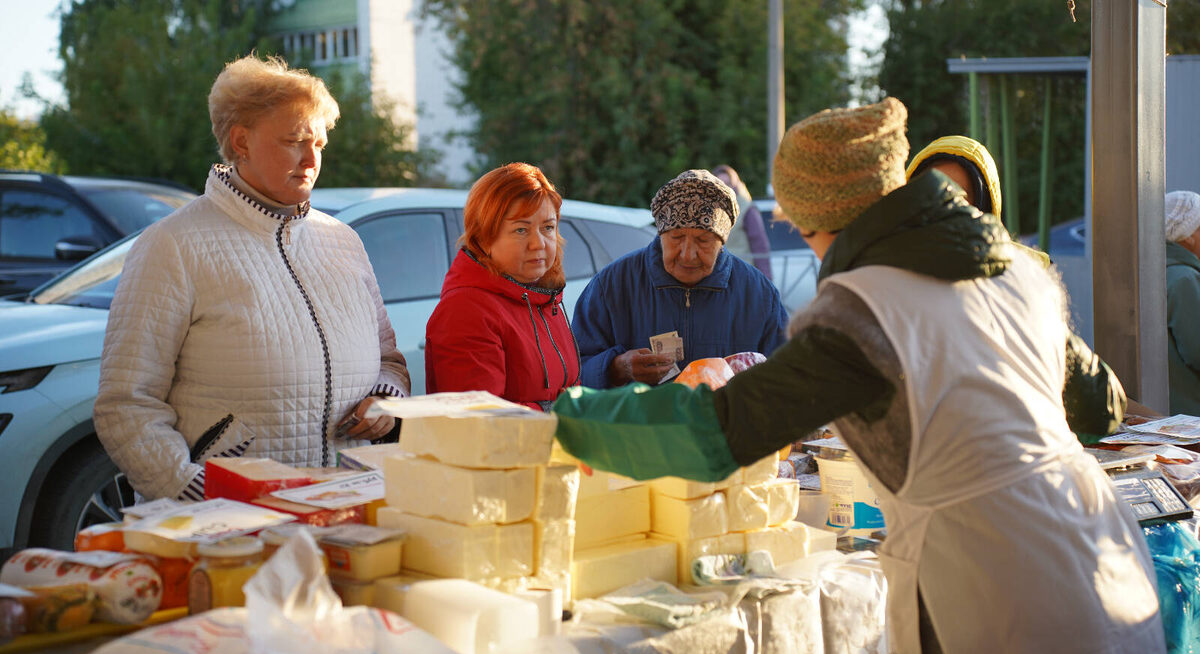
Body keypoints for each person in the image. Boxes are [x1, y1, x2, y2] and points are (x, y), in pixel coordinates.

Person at [553, 99, 1164, 654]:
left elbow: (717, 432)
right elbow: (1101, 405)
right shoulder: (1014, 270)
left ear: (827, 222)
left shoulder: (858, 311)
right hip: (1108, 554)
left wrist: (571, 425)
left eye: (803, 229)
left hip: (999, 583)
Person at [94, 55, 410, 501]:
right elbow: (126, 404)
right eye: (295, 141)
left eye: (319, 143)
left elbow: (389, 362)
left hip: (347, 503)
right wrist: (195, 492)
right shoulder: (173, 245)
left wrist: (384, 401)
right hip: (230, 516)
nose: (311, 159)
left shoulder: (343, 241)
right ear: (241, 141)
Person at [572, 169, 787, 389]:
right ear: (661, 235)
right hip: (639, 412)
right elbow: (572, 370)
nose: (688, 255)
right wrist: (617, 368)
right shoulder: (613, 285)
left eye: (703, 240)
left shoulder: (758, 294)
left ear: (722, 242)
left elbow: (787, 374)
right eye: (676, 237)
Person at [424, 163, 579, 411]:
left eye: (548, 228)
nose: (539, 243)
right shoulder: (466, 310)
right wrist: (556, 410)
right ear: (484, 238)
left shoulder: (544, 297)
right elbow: (479, 418)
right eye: (521, 230)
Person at [1166, 190, 1200, 415]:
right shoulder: (1184, 279)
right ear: (1188, 235)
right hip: (1190, 417)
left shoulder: (1159, 270)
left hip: (1167, 413)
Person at [711, 164, 773, 279]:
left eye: (728, 183)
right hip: (717, 275)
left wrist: (766, 279)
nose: (724, 188)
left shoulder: (746, 208)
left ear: (734, 185)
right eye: (720, 184)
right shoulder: (709, 209)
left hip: (742, 274)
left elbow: (759, 245)